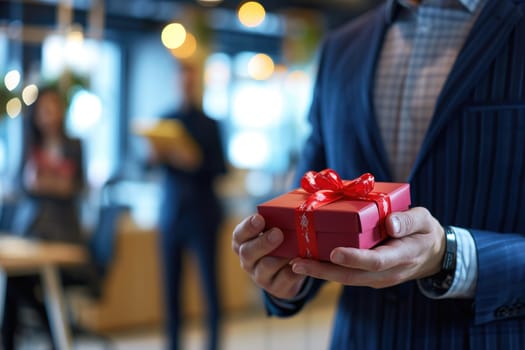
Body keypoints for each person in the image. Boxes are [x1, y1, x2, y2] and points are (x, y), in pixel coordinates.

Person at [232, 0, 525, 348]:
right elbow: (311, 205)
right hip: (358, 338)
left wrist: (451, 255)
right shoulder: (340, 48)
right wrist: (286, 277)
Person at [2, 86, 86, 349]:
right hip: (32, 231)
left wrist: (45, 182)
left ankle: (55, 338)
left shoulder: (73, 145)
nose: (50, 114)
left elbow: (73, 187)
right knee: (16, 277)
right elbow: (24, 183)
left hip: (64, 235)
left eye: (55, 107)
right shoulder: (30, 145)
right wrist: (53, 182)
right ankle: (48, 338)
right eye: (44, 108)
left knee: (18, 282)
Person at [150, 62, 226, 350]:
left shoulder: (210, 124)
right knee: (171, 290)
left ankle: (214, 345)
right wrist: (154, 157)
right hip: (171, 213)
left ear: (196, 84)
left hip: (204, 213)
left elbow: (221, 168)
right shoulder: (164, 121)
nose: (185, 84)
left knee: (210, 287)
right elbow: (147, 164)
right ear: (175, 82)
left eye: (190, 80)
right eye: (181, 79)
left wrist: (196, 162)